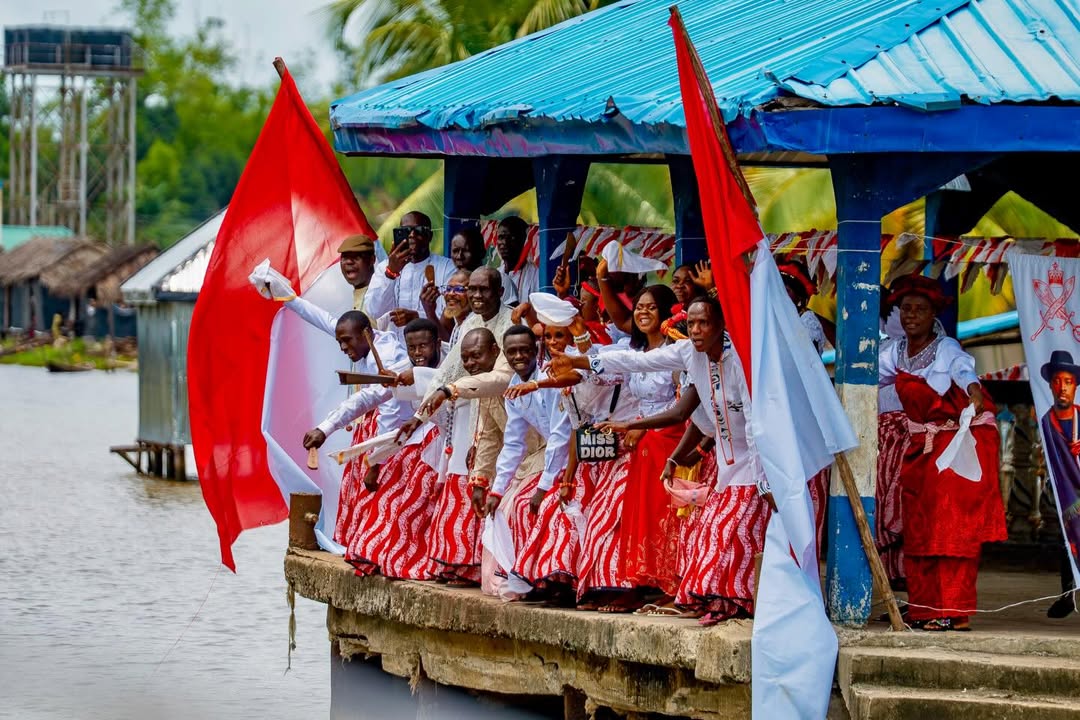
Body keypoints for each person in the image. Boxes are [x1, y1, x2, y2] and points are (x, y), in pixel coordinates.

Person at [550, 296, 772, 624]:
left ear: (721, 325)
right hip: (728, 467)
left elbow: (755, 423)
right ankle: (714, 600)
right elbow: (638, 365)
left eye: (704, 324)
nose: (695, 331)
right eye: (692, 324)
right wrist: (580, 364)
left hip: (758, 466)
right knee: (710, 532)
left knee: (726, 533)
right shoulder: (689, 354)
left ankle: (733, 600)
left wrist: (764, 477)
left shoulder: (738, 360)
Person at [879, 274, 1006, 631]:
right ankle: (924, 609)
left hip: (952, 452)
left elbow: (964, 371)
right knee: (918, 531)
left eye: (920, 309)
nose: (911, 316)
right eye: (906, 309)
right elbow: (864, 373)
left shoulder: (946, 348)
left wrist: (973, 389)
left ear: (933, 312)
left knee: (949, 530)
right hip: (920, 449)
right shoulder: (894, 351)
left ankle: (953, 610)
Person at [341, 317, 443, 579]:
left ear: (437, 345)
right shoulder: (405, 368)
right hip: (413, 441)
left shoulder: (449, 366)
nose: (418, 354)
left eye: (424, 346)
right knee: (386, 499)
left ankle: (411, 564)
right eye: (412, 348)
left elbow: (438, 386)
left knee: (409, 506)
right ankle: (373, 556)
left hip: (444, 447)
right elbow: (374, 395)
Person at [300, 311, 412, 549]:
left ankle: (377, 554)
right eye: (339, 341)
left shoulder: (386, 356)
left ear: (365, 333)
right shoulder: (368, 345)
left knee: (384, 503)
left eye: (346, 341)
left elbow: (382, 407)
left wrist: (375, 462)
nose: (342, 347)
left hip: (401, 440)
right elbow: (323, 319)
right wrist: (289, 299)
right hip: (385, 436)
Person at [479, 325, 571, 600]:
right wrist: (497, 489)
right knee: (516, 505)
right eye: (513, 352)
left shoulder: (551, 379)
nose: (519, 356)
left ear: (536, 350)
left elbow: (560, 434)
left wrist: (543, 486)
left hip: (575, 461)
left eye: (525, 350)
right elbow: (513, 443)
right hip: (554, 463)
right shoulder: (513, 388)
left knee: (546, 506)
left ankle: (561, 580)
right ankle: (535, 579)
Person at [417, 327, 503, 585]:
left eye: (476, 356)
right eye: (465, 358)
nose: (470, 364)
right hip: (467, 454)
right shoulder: (460, 381)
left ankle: (474, 570)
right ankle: (456, 567)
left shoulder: (500, 378)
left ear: (495, 352)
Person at [365, 211, 456, 340]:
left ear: (429, 236)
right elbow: (374, 311)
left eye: (418, 230)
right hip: (397, 351)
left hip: (435, 350)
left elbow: (452, 316)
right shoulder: (385, 267)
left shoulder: (447, 268)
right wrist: (391, 273)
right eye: (406, 231)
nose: (412, 235)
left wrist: (417, 317)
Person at [1037, 349, 1080, 618]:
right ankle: (1067, 594)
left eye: (1068, 382)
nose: (1062, 388)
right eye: (1057, 381)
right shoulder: (1046, 421)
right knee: (1068, 541)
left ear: (1075, 386)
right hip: (1066, 494)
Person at [495, 216, 539, 305]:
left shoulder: (536, 275)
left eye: (511, 237)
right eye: (501, 237)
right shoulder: (496, 274)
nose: (504, 242)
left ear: (524, 241)